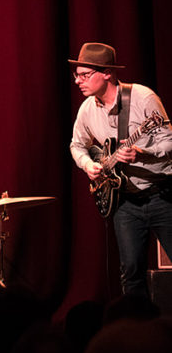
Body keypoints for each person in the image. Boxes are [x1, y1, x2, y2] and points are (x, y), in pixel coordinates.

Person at [69, 42, 172, 296]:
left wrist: (142, 154)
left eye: (84, 75)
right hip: (124, 202)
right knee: (131, 271)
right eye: (77, 75)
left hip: (161, 195)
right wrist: (88, 165)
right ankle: (136, 330)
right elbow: (76, 145)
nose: (78, 81)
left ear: (107, 73)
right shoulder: (87, 109)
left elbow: (169, 141)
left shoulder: (142, 98)